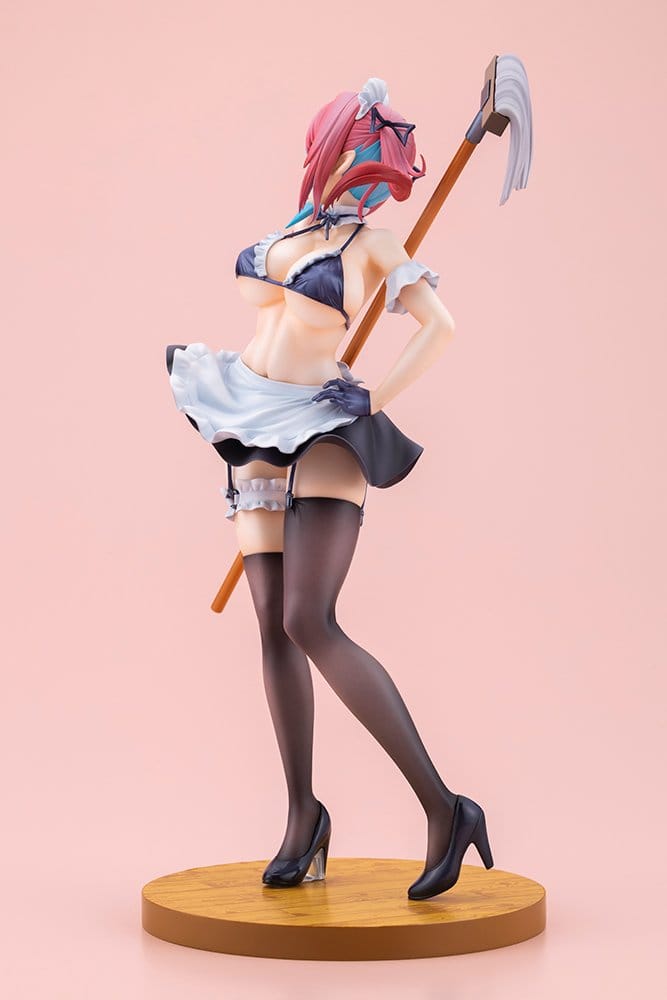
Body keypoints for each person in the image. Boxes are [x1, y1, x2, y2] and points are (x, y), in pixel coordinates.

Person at [166, 77, 494, 899]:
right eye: (360, 147)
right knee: (271, 628)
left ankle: (445, 807)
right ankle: (302, 816)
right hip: (250, 417)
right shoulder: (287, 230)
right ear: (328, 146)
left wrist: (375, 398)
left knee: (307, 619)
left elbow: (440, 327)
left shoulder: (374, 245)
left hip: (325, 426)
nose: (373, 165)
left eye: (379, 153)